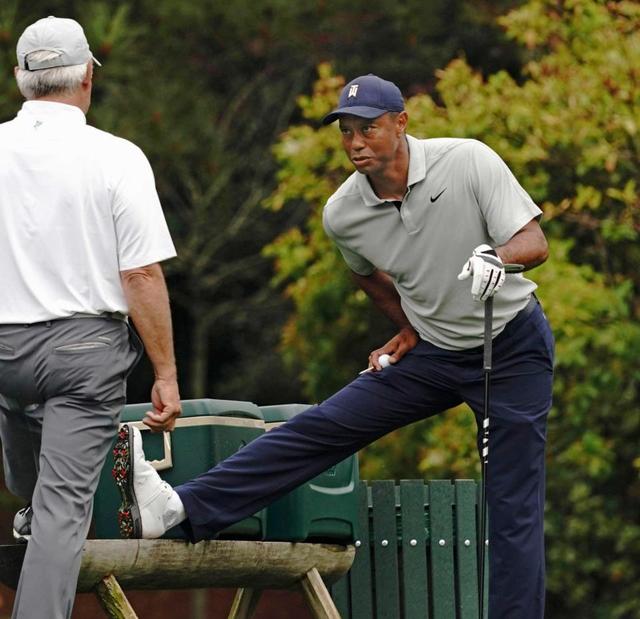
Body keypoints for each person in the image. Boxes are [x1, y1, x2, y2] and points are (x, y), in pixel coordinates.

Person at [115, 74, 553, 619]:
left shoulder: (468, 162)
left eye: (367, 129)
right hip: (434, 353)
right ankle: (180, 507)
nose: (355, 144)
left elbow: (534, 241)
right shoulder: (343, 213)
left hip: (509, 350)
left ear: (401, 124)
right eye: (346, 133)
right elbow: (367, 275)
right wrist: (410, 324)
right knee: (323, 426)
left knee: (512, 502)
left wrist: (497, 257)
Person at [0, 16, 181, 619]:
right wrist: (166, 373)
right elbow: (140, 276)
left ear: (21, 77)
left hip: (3, 348)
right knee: (58, 519)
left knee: (31, 481)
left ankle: (35, 496)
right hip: (84, 353)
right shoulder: (117, 157)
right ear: (87, 81)